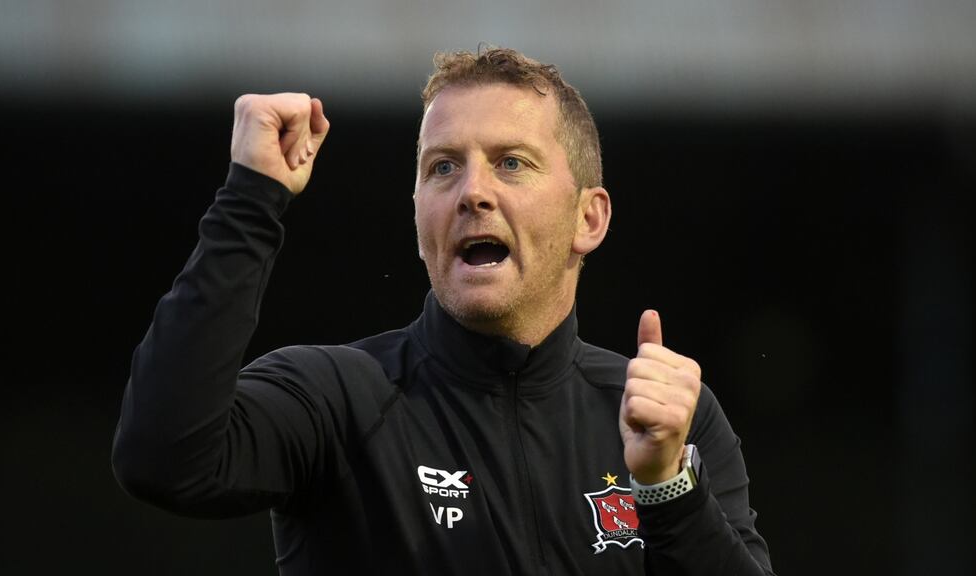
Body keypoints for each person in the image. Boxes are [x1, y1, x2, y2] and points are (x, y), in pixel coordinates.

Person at [112, 47, 775, 575]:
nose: (472, 192)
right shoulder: (340, 399)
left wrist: (665, 487)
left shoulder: (664, 419)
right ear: (418, 215)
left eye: (511, 164)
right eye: (442, 168)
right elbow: (162, 458)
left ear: (589, 217)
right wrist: (251, 199)